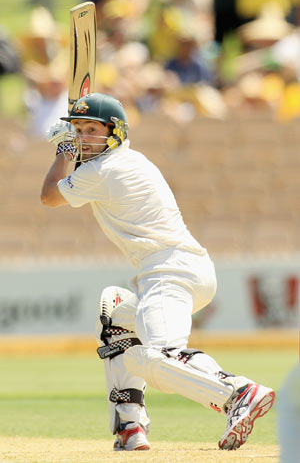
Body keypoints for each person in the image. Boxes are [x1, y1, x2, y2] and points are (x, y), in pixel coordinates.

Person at [41, 92, 275, 451]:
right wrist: (73, 150)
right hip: (180, 269)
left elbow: (49, 196)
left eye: (92, 129)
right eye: (78, 130)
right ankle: (130, 428)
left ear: (114, 131)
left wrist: (63, 152)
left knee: (152, 357)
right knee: (116, 312)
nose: (84, 137)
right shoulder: (127, 160)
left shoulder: (103, 170)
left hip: (170, 274)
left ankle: (237, 392)